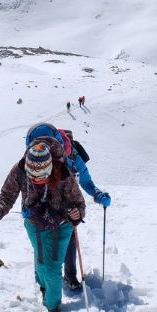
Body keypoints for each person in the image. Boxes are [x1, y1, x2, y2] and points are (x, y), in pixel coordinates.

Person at [0, 136, 85, 312]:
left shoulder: (63, 172)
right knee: (41, 260)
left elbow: (79, 203)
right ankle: (43, 287)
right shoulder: (21, 169)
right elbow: (7, 195)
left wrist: (77, 214)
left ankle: (53, 306)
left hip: (61, 225)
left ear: (50, 169)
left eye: (42, 177)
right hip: (34, 224)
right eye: (33, 177)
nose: (37, 180)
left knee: (51, 267)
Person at [23, 123, 111, 291]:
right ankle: (48, 277)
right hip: (44, 202)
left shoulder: (74, 158)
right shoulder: (43, 155)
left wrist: (98, 194)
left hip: (66, 205)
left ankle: (64, 276)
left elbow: (85, 181)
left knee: (64, 239)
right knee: (45, 239)